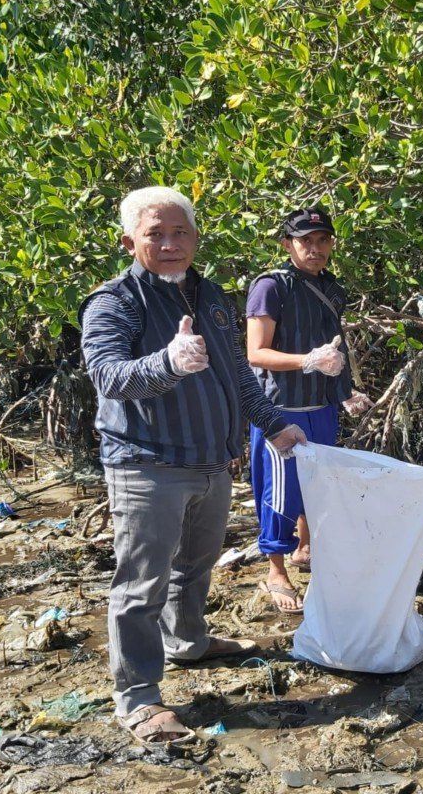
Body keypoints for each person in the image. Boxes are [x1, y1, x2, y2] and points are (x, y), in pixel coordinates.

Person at [80, 186, 307, 744]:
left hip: (211, 461)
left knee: (197, 564)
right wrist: (167, 362)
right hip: (145, 462)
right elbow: (108, 376)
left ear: (196, 238)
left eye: (180, 231)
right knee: (141, 584)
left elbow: (237, 374)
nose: (170, 243)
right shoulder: (115, 301)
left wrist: (274, 422)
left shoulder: (213, 296)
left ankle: (188, 643)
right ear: (129, 240)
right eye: (155, 233)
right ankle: (136, 697)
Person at [244, 206, 373, 613]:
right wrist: (306, 361)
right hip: (281, 409)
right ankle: (276, 571)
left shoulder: (332, 288)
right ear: (287, 244)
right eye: (305, 241)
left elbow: (336, 348)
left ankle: (306, 548)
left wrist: (345, 391)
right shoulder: (270, 286)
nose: (314, 249)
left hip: (323, 406)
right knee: (279, 492)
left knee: (319, 486)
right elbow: (255, 353)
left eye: (322, 240)